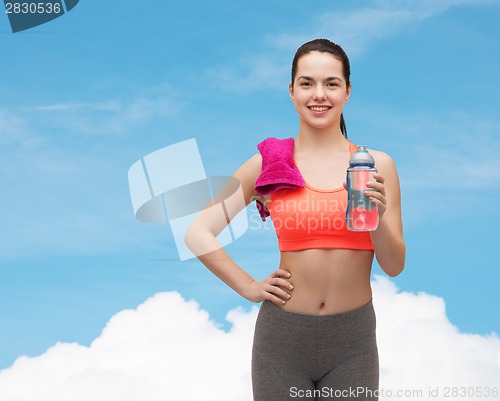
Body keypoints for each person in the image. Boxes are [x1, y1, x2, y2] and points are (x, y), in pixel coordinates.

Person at [185, 38, 405, 401]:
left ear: (348, 91)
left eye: (331, 83)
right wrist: (248, 286)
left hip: (353, 341)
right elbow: (198, 232)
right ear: (291, 91)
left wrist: (378, 218)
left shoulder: (376, 166)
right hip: (281, 339)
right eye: (307, 83)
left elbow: (394, 265)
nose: (319, 94)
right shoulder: (268, 164)